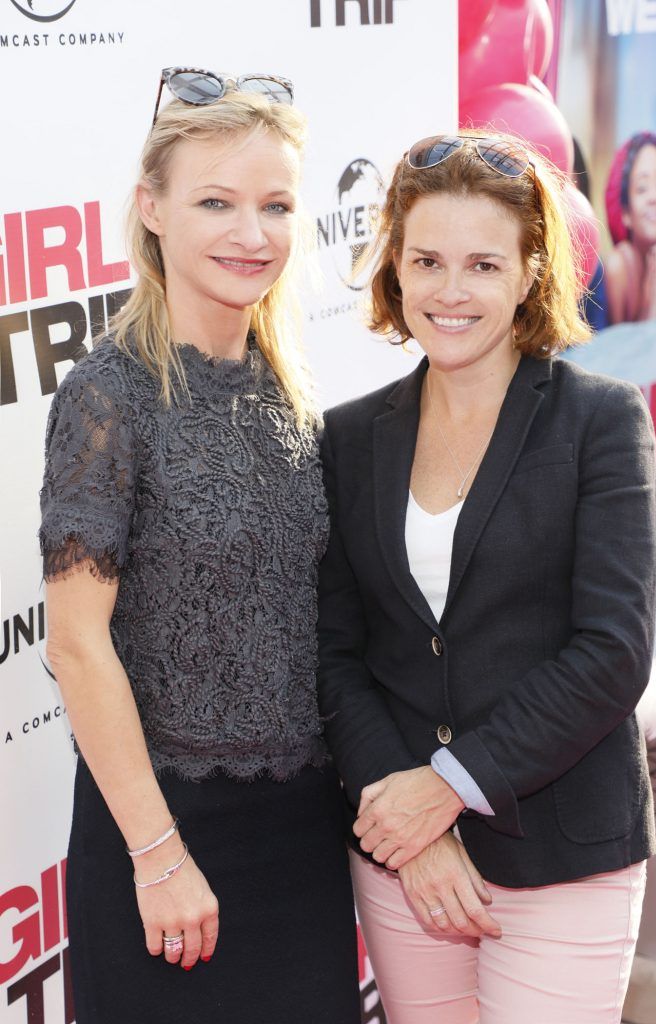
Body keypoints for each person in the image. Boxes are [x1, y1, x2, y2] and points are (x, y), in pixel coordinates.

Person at [317, 131, 656, 1024]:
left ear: (528, 271)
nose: (450, 291)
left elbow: (612, 651)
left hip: (562, 853)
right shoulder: (349, 439)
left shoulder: (601, 420)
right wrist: (406, 821)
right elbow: (335, 652)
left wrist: (448, 786)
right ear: (393, 267)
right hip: (402, 860)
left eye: (481, 263)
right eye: (426, 260)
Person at [40, 68, 359, 1024]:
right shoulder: (108, 397)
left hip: (300, 834)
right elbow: (75, 643)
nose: (251, 233)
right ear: (152, 208)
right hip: (161, 834)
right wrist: (158, 856)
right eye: (215, 201)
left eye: (274, 205)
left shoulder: (290, 390)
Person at [604, 130, 656, 324]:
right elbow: (617, 348)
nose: (654, 197)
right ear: (625, 214)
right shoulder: (617, 266)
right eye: (642, 188)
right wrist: (649, 307)